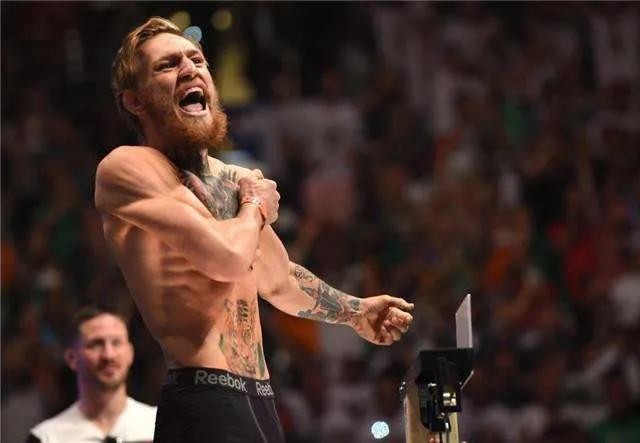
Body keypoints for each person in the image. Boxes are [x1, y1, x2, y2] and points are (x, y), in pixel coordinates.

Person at [95, 17, 414, 443]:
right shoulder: (128, 167)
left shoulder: (235, 179)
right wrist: (256, 207)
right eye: (168, 65)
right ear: (135, 101)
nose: (190, 69)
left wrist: (356, 312)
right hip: (203, 396)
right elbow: (225, 259)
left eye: (197, 59)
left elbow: (278, 281)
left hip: (261, 399)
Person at [27, 305, 157, 443]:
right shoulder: (47, 437)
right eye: (96, 344)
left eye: (116, 343)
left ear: (130, 353)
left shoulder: (159, 425)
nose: (109, 355)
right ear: (72, 358)